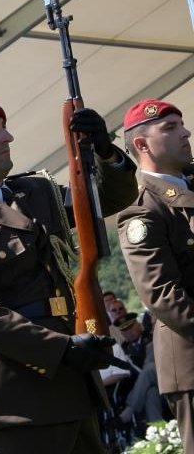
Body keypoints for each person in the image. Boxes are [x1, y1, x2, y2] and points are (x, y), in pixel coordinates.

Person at [0, 97, 138, 452]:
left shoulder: (37, 192)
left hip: (73, 386)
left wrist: (105, 153)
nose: (7, 136)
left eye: (4, 126)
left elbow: (106, 201)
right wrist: (61, 348)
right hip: (17, 398)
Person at [117, 99, 194, 453]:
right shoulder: (144, 212)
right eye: (171, 127)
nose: (186, 132)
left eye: (181, 124)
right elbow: (164, 296)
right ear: (142, 144)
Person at [113, 313, 164, 424]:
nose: (128, 332)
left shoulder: (152, 338)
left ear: (139, 325)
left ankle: (130, 409)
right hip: (146, 389)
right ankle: (159, 433)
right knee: (151, 393)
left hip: (162, 380)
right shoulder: (123, 350)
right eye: (124, 330)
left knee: (149, 368)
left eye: (131, 327)